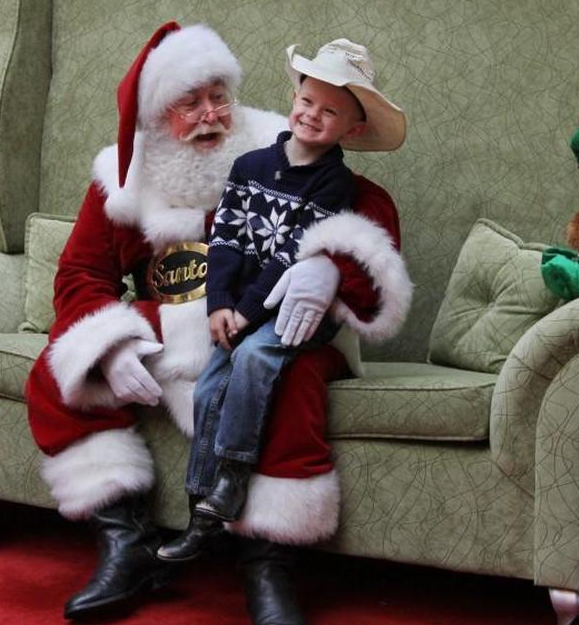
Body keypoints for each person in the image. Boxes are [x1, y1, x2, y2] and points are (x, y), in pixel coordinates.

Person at [23, 22, 411, 625]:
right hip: (179, 327)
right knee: (58, 369)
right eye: (189, 103)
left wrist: (328, 266)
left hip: (280, 324)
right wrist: (113, 341)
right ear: (154, 118)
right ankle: (126, 543)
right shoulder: (123, 181)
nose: (211, 116)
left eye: (219, 96)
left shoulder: (273, 146)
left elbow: (371, 214)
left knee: (290, 376)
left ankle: (267, 563)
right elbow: (80, 276)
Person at [157, 38, 407, 564]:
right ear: (293, 97)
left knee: (253, 356)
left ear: (352, 130)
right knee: (207, 386)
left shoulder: (333, 182)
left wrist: (247, 313)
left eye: (331, 111)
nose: (313, 116)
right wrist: (218, 305)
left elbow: (291, 254)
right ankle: (200, 505)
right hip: (240, 305)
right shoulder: (249, 166)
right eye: (307, 102)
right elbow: (223, 239)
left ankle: (232, 471)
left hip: (290, 312)